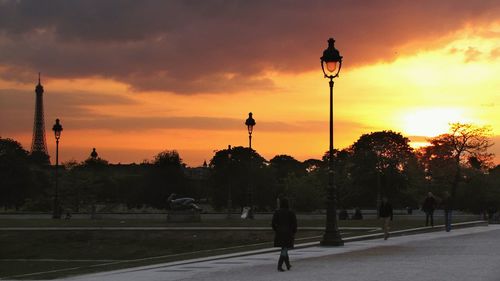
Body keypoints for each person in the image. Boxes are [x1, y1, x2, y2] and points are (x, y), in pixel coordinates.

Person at [272, 198, 297, 272]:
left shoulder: (277, 212)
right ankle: (279, 266)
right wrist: (293, 231)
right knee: (284, 249)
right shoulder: (291, 212)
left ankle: (288, 265)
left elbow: (273, 223)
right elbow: (294, 224)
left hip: (279, 233)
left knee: (284, 248)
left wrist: (277, 230)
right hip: (288, 233)